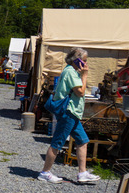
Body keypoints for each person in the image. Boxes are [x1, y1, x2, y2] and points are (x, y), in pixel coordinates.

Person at [38, 47, 101, 184]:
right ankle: (45, 172)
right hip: (69, 112)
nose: (86, 64)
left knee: (83, 141)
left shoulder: (70, 71)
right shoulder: (71, 72)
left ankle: (82, 173)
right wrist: (85, 76)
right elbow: (80, 92)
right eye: (84, 61)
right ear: (77, 61)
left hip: (73, 113)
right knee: (57, 142)